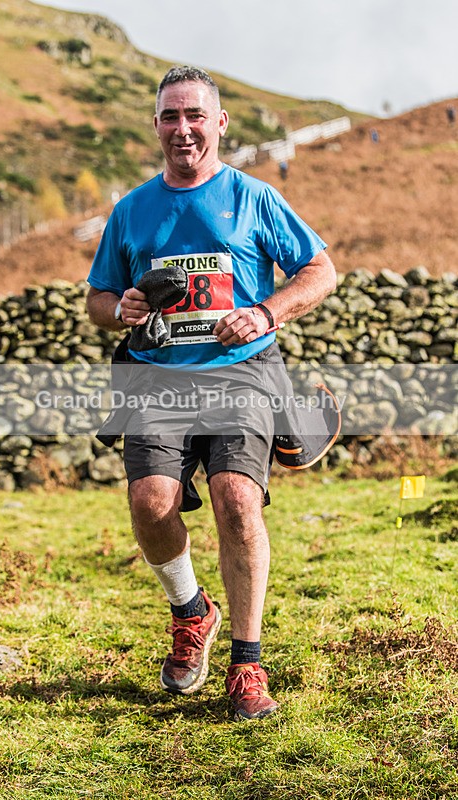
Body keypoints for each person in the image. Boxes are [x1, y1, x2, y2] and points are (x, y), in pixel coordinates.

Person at [86, 66, 336, 721]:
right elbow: (96, 299)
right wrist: (122, 308)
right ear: (158, 125)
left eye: (195, 115)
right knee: (150, 501)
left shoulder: (253, 198)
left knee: (235, 499)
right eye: (170, 117)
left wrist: (267, 313)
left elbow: (320, 269)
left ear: (219, 123)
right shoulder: (132, 209)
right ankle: (192, 611)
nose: (183, 129)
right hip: (157, 377)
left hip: (241, 373)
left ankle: (247, 664)